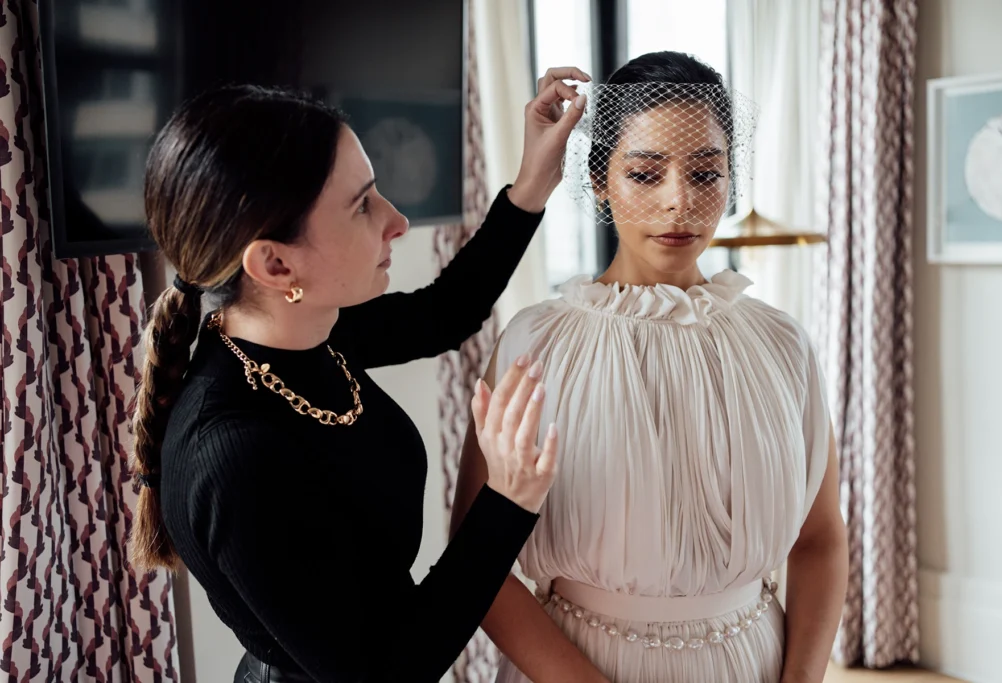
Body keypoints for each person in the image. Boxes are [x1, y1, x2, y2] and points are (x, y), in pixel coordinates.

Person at [128, 67, 590, 683]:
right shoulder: (235, 457)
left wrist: (533, 183)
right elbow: (388, 671)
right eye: (362, 206)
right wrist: (507, 502)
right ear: (274, 263)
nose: (396, 220)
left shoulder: (300, 330)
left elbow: (442, 315)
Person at [452, 52, 849, 683]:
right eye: (644, 174)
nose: (679, 203)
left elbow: (820, 540)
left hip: (753, 663)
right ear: (601, 179)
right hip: (574, 667)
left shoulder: (783, 344)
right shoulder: (535, 344)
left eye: (704, 173)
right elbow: (475, 564)